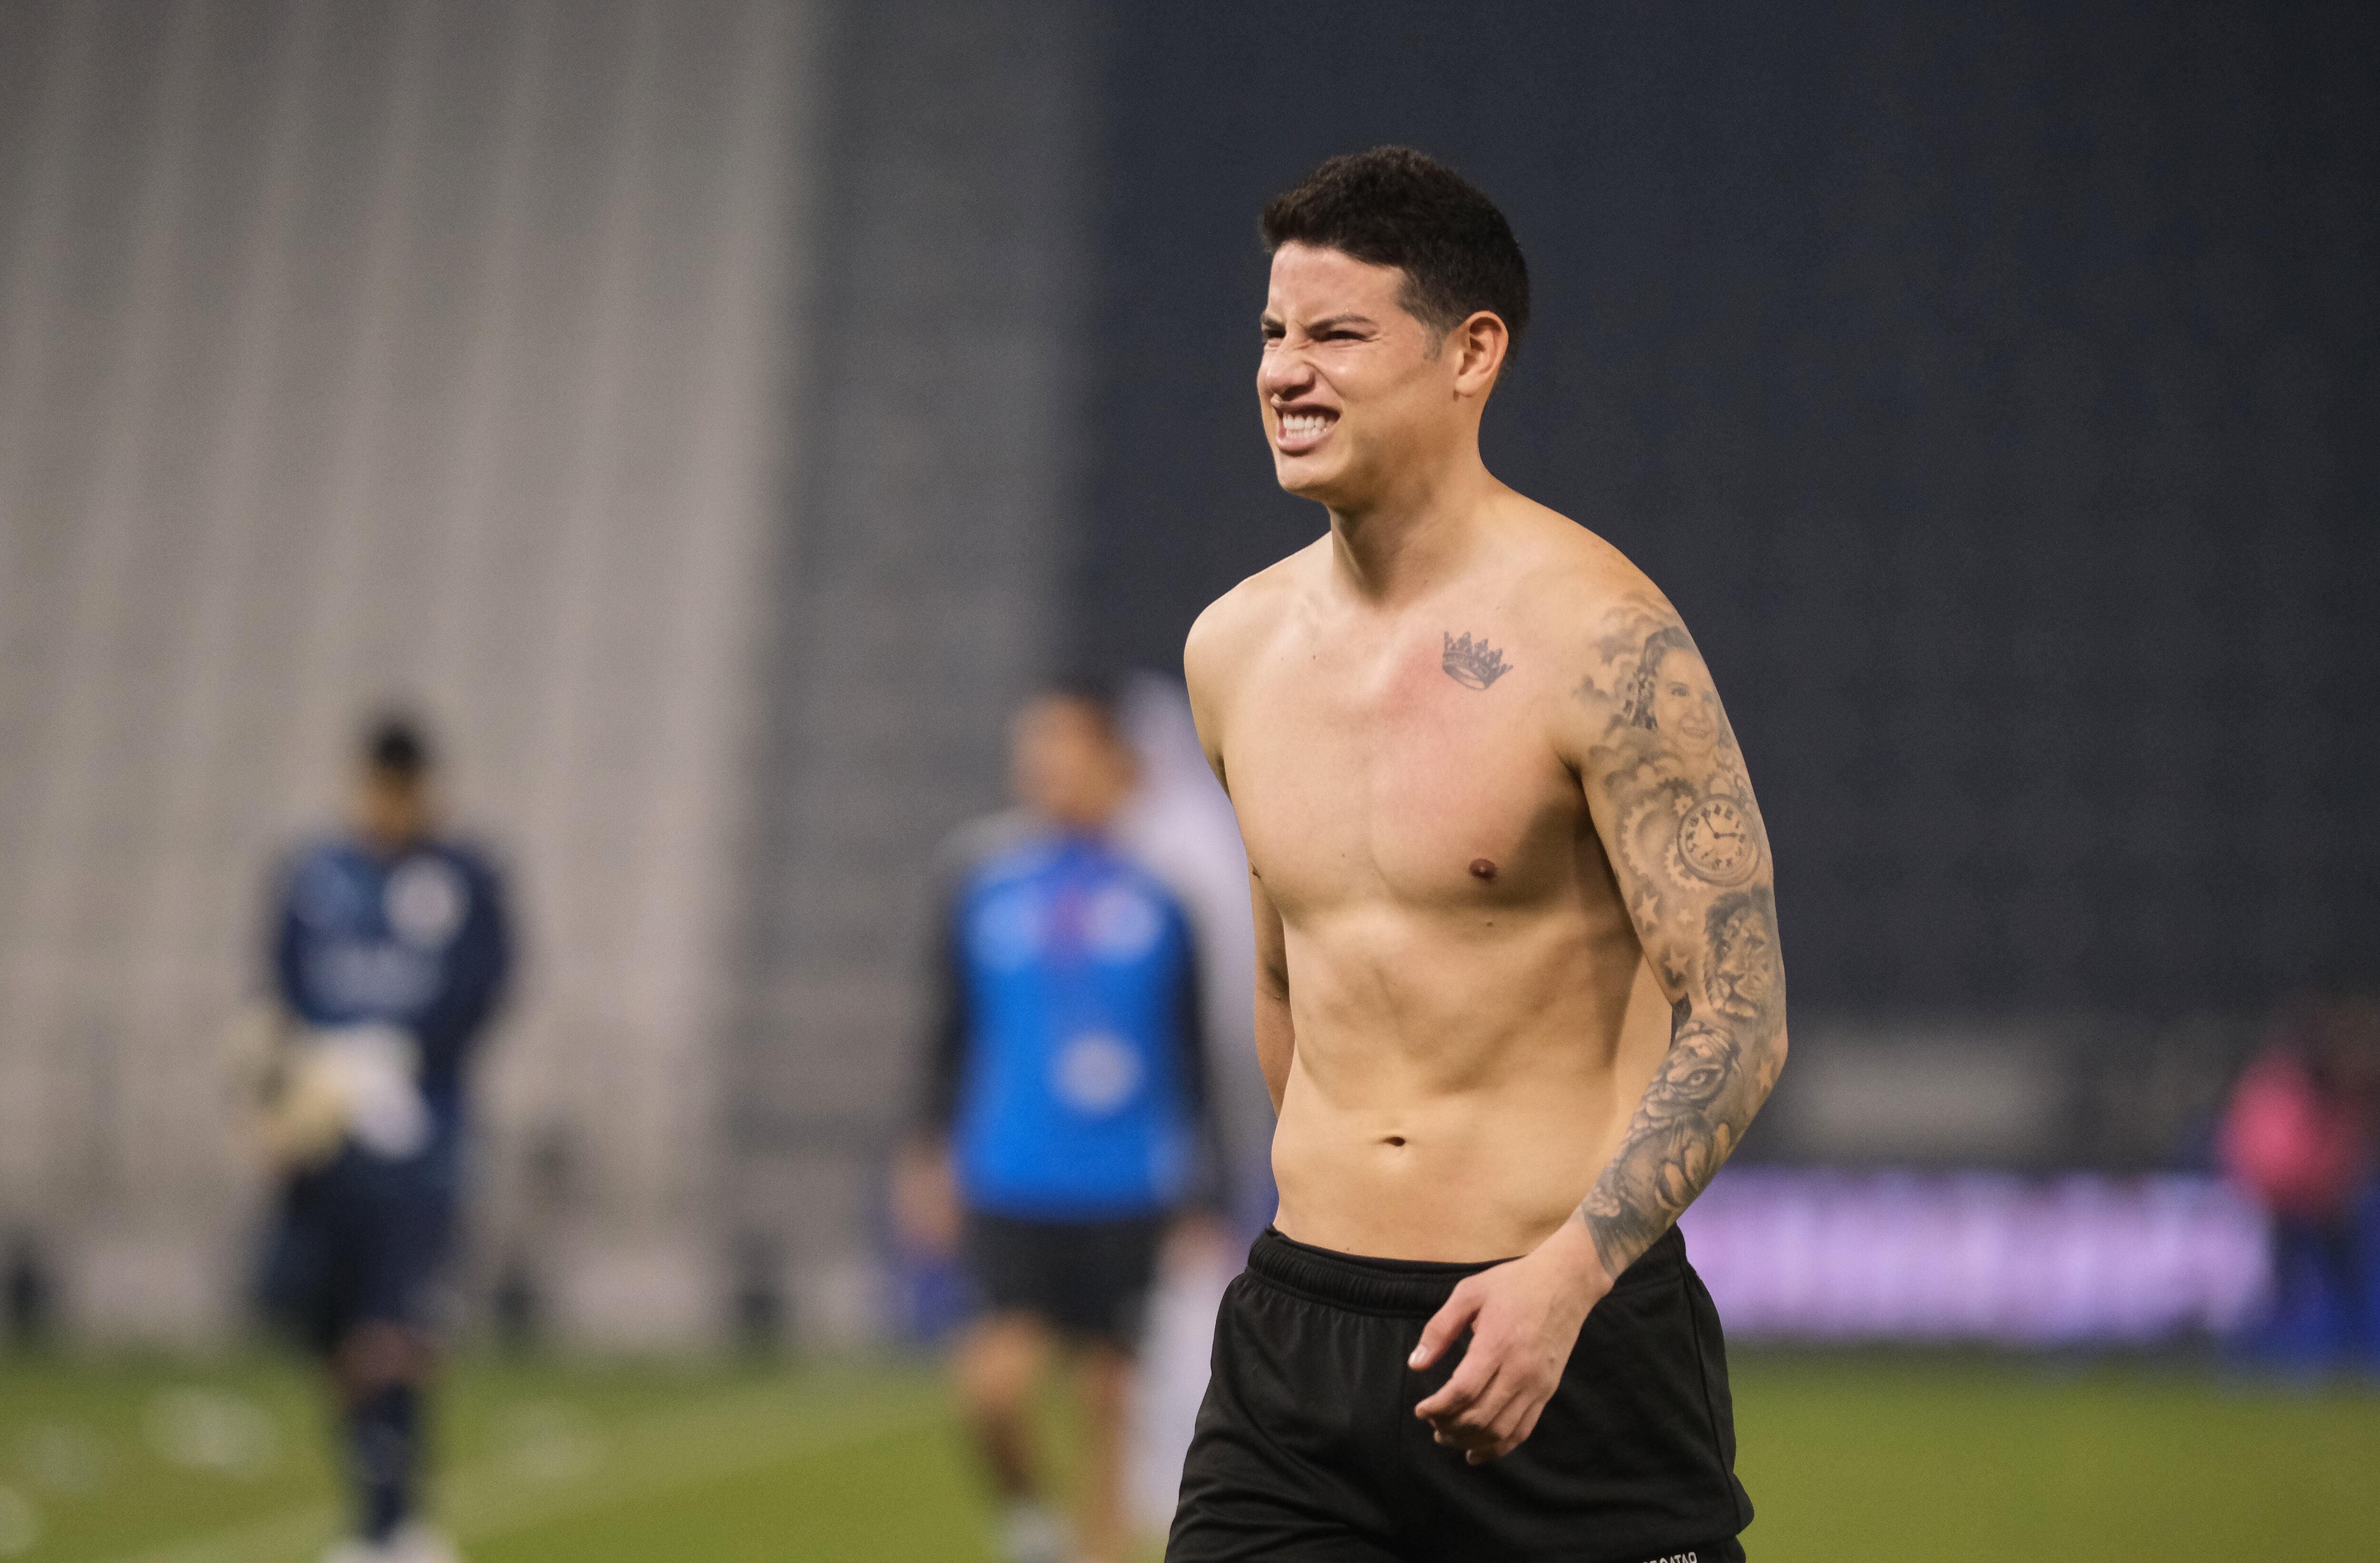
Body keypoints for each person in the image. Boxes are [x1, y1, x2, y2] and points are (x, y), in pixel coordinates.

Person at [1168, 147, 1787, 1563]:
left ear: (1471, 354)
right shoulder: (1230, 650)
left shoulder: (1606, 641)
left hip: (1564, 1343)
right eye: (1272, 331)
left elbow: (1740, 1010)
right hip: (1299, 1349)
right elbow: (1287, 976)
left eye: (1336, 334)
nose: (1283, 371)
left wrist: (1566, 1276)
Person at [896, 682, 1224, 1563]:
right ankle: (1031, 1527)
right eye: (1036, 747)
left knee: (1110, 1397)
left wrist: (1207, 1188)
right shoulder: (982, 883)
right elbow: (949, 1030)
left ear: (1117, 763)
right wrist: (927, 1150)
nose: (1047, 765)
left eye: (1067, 745)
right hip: (1011, 1171)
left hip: (1126, 1179)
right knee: (992, 1386)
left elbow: (1192, 1053)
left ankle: (1100, 1551)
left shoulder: (1164, 899)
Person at [250, 715, 511, 1563]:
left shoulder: (465, 876)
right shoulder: (313, 874)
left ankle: (395, 1523)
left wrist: (406, 1054)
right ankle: (375, 1509)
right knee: (321, 1319)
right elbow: (280, 990)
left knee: (397, 1325)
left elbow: (486, 983)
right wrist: (288, 1097)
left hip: (421, 1142)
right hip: (328, 1143)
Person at [2218, 994, 2380, 1363]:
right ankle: (2275, 1354)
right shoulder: (2285, 1090)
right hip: (2289, 1202)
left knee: (2316, 1281)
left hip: (2306, 1202)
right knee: (2286, 1285)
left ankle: (2345, 1352)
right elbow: (2266, 1153)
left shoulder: (2305, 1090)